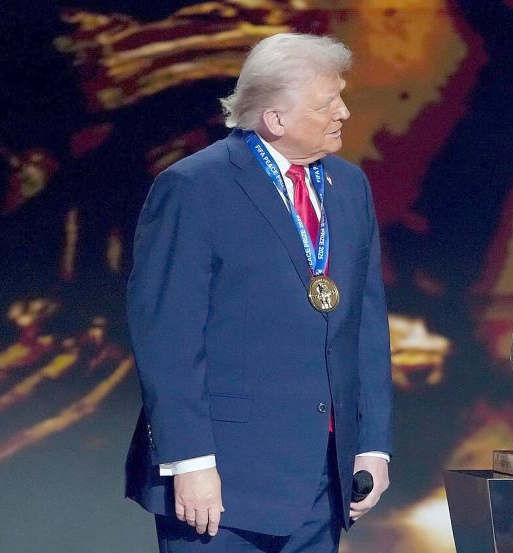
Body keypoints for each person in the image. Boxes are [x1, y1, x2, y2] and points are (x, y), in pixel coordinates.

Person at [125, 33, 393, 552]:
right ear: (275, 118)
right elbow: (168, 337)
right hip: (222, 483)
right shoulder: (195, 187)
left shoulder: (349, 187)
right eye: (327, 103)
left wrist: (372, 445)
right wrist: (190, 462)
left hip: (324, 482)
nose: (343, 112)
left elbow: (364, 324)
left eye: (341, 97)